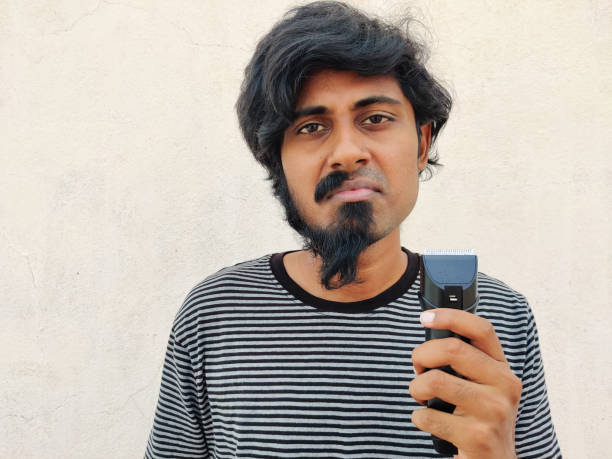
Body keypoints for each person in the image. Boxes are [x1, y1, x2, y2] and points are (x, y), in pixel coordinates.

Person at [145, 2, 561, 457]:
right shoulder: (215, 313)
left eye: (375, 119)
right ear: (278, 163)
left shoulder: (498, 316)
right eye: (311, 126)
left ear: (421, 144)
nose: (347, 152)